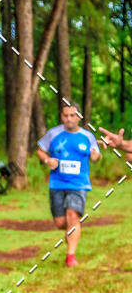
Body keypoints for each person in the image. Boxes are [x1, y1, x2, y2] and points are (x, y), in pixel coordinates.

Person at [37, 104, 100, 267]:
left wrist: (95, 155)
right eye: (65, 115)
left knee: (72, 215)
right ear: (62, 116)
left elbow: (95, 155)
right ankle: (73, 229)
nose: (69, 119)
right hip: (57, 183)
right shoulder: (53, 134)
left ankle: (70, 255)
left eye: (72, 115)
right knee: (60, 222)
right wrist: (47, 160)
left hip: (79, 183)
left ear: (79, 117)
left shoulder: (88, 136)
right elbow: (40, 151)